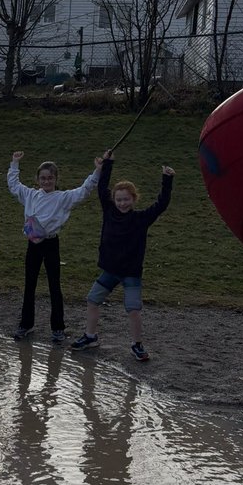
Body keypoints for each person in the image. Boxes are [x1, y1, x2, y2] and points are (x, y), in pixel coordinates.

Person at [71, 150, 174, 361]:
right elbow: (102, 188)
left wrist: (167, 179)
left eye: (126, 199)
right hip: (110, 270)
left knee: (133, 309)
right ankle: (91, 336)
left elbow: (161, 204)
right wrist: (108, 163)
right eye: (119, 199)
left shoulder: (141, 219)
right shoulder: (109, 211)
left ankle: (137, 345)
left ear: (134, 199)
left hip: (131, 273)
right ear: (114, 200)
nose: (122, 203)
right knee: (92, 300)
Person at [8, 150, 102, 343]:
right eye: (43, 178)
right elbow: (14, 185)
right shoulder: (30, 195)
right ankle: (26, 324)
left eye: (50, 178)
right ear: (37, 179)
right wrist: (14, 164)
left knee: (54, 286)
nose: (46, 181)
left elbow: (84, 190)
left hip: (51, 243)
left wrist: (97, 171)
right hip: (32, 244)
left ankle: (58, 328)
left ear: (56, 179)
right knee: (29, 284)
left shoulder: (63, 197)